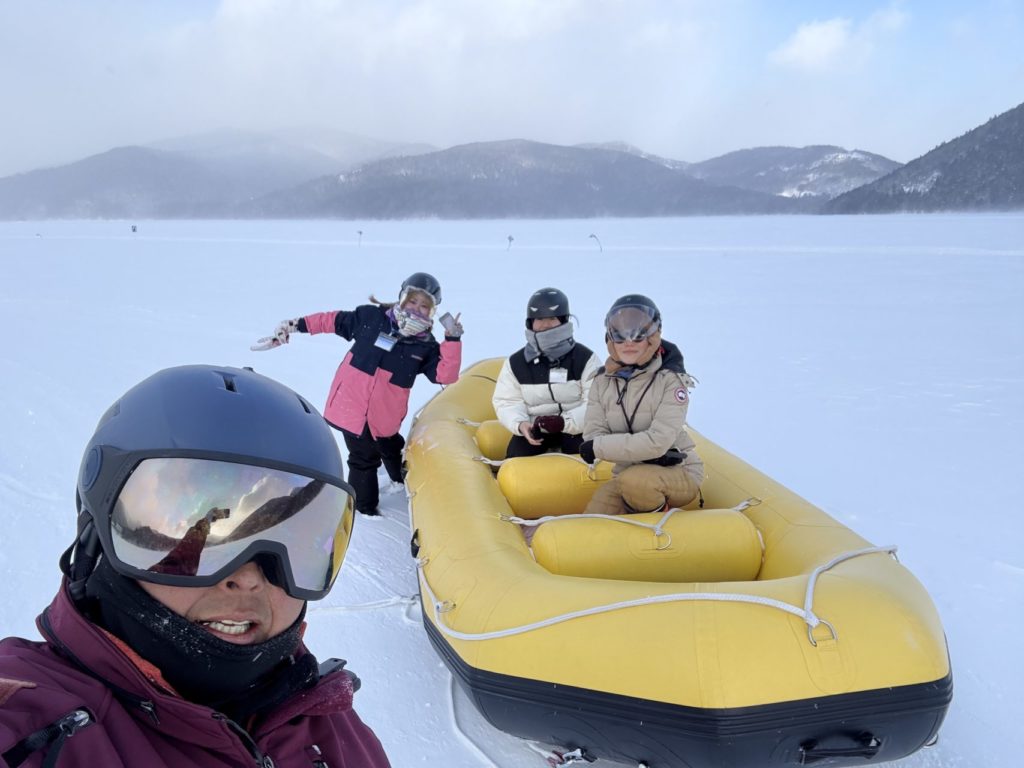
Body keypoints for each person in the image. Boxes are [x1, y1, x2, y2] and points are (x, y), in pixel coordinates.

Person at [0, 365, 390, 767]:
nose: (248, 578)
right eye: (204, 539)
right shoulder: (30, 727)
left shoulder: (328, 720)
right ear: (95, 538)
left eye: (297, 541)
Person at [254, 272, 463, 516]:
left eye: (425, 305)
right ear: (402, 298)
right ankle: (363, 510)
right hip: (351, 407)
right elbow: (332, 321)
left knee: (390, 444)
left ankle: (401, 477)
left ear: (432, 311)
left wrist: (453, 340)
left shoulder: (425, 345)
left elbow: (444, 376)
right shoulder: (371, 318)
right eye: (413, 301)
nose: (417, 309)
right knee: (363, 458)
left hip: (385, 415)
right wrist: (295, 325)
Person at [579, 295, 704, 515]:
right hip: (626, 474)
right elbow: (593, 435)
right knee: (595, 514)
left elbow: (657, 441)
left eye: (638, 335)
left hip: (678, 473)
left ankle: (664, 527)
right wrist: (609, 446)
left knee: (637, 481)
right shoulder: (601, 381)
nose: (628, 342)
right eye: (620, 334)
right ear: (610, 337)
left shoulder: (671, 381)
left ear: (653, 337)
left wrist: (601, 446)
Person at [492, 287, 600, 458]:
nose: (545, 324)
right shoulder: (516, 363)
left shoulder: (585, 359)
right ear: (530, 323)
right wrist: (521, 425)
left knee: (585, 451)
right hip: (536, 427)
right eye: (539, 319)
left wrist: (564, 423)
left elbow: (595, 402)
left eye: (551, 318)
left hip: (576, 427)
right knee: (517, 454)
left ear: (563, 320)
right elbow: (507, 401)